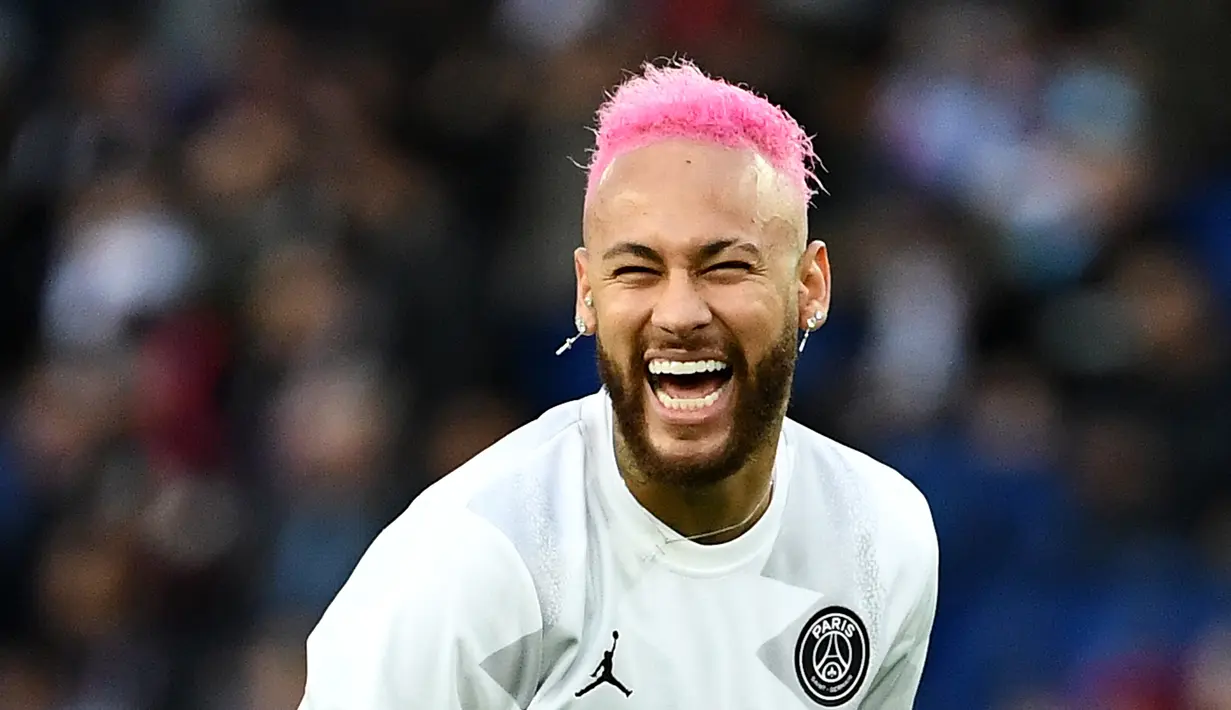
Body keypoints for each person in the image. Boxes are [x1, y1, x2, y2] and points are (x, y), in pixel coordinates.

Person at [298, 59, 938, 709]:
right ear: (586, 294)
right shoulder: (469, 562)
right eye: (637, 270)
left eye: (726, 267)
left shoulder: (881, 536)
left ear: (810, 287)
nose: (680, 312)